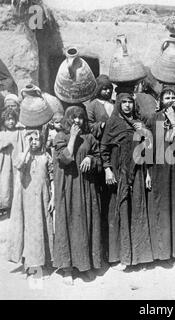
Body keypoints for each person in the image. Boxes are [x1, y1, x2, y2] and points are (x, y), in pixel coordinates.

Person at [100, 93, 153, 270]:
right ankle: (121, 257)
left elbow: (147, 150)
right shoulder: (112, 123)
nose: (128, 105)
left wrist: (144, 132)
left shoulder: (139, 122)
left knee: (137, 210)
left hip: (137, 171)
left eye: (130, 102)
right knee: (120, 211)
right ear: (118, 105)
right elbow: (104, 148)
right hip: (118, 172)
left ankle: (139, 256)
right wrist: (107, 168)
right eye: (124, 103)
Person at [53, 106, 103, 285]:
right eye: (74, 118)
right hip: (69, 188)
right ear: (68, 120)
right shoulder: (61, 137)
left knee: (87, 222)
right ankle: (67, 269)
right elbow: (64, 159)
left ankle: (86, 265)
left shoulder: (90, 137)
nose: (77, 121)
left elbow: (98, 157)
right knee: (69, 222)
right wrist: (73, 137)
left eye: (80, 118)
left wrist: (91, 158)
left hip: (87, 187)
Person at [145, 85, 175, 263]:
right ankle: (161, 253)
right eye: (167, 97)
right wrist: (147, 172)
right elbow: (147, 148)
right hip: (157, 169)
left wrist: (174, 122)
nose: (170, 100)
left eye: (173, 97)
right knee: (160, 208)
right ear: (160, 101)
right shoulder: (152, 119)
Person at [7, 129, 54, 282]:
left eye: (37, 140)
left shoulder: (46, 156)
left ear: (41, 141)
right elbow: (19, 165)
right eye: (31, 139)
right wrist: (26, 148)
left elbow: (52, 177)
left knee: (43, 229)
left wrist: (52, 197)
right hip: (27, 200)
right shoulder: (23, 156)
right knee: (30, 231)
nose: (34, 142)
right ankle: (33, 267)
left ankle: (43, 262)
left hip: (42, 197)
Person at [0, 108, 25, 216]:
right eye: (8, 119)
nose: (11, 122)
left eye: (13, 119)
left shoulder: (20, 132)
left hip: (16, 162)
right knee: (5, 182)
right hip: (4, 164)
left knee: (16, 181)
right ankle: (5, 205)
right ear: (3, 121)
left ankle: (16, 205)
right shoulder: (2, 134)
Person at [86, 75, 115, 140]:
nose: (108, 91)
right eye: (105, 89)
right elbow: (88, 124)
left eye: (110, 88)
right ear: (99, 89)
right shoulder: (93, 105)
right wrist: (101, 125)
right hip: (101, 140)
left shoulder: (114, 103)